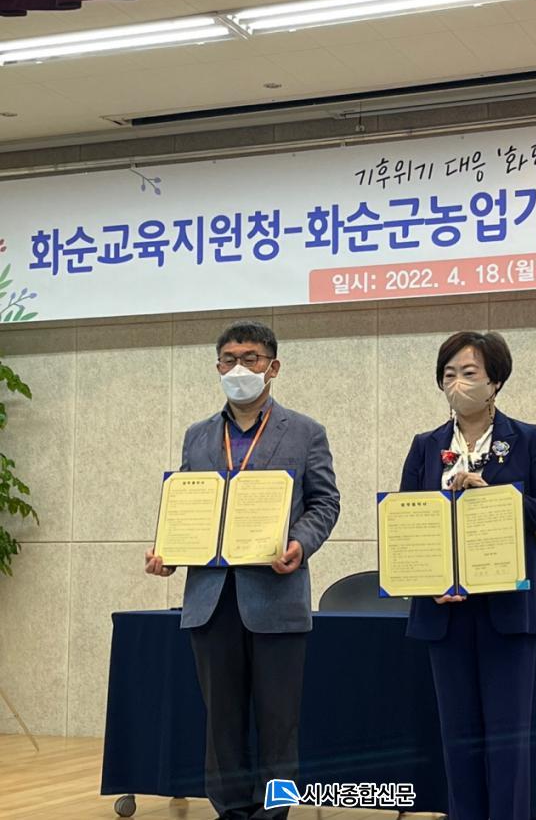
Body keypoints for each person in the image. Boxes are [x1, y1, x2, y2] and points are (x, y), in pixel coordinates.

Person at [146, 319, 340, 820]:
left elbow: (325, 503)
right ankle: (230, 810)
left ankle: (274, 813)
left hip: (276, 594)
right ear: (217, 367)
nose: (238, 368)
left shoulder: (305, 431)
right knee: (222, 722)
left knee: (279, 723)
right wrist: (167, 551)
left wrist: (300, 543)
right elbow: (187, 505)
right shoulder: (198, 436)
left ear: (272, 367)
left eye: (250, 358)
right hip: (211, 599)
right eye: (228, 359)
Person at [400, 330, 536, 820]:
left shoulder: (528, 438)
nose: (458, 383)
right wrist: (426, 582)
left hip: (508, 610)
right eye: (449, 374)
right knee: (458, 740)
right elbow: (407, 524)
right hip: (445, 612)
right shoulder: (426, 446)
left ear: (495, 381)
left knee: (507, 741)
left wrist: (497, 496)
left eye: (469, 373)